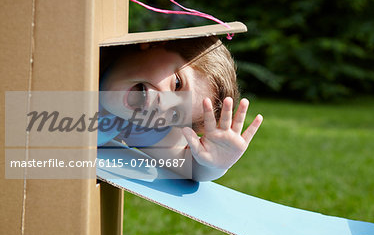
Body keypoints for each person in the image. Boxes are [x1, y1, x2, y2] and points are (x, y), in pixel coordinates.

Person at [99, 36, 263, 181]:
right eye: (177, 84)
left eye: (175, 114)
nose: (164, 105)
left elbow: (188, 167)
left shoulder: (134, 124)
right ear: (155, 43)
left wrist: (215, 165)